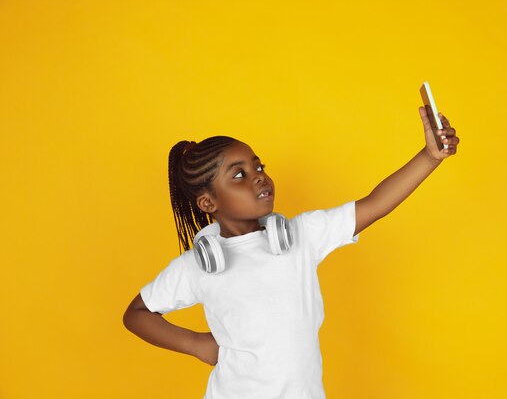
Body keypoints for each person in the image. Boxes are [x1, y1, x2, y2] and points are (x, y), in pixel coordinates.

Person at [123, 107, 460, 399]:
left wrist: (430, 156)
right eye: (239, 175)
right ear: (209, 202)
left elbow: (374, 204)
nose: (258, 178)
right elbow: (137, 313)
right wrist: (196, 344)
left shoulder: (300, 236)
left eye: (259, 167)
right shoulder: (198, 266)